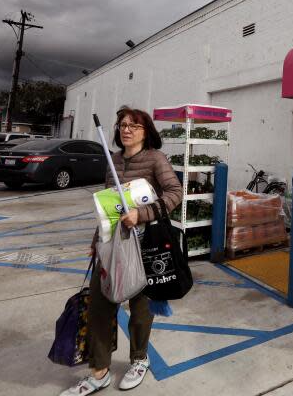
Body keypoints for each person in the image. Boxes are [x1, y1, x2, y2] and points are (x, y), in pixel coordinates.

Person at [60, 106, 183, 395]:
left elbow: (175, 192)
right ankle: (99, 370)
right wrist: (96, 243)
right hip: (112, 246)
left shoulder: (156, 158)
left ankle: (139, 358)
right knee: (100, 307)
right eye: (122, 125)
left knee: (141, 310)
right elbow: (106, 209)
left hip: (144, 246)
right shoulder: (113, 161)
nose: (126, 130)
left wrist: (141, 214)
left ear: (146, 131)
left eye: (133, 126)